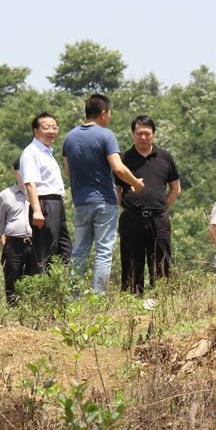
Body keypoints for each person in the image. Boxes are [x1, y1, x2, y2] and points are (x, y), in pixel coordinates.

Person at [63, 94, 145, 294]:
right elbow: (118, 168)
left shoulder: (70, 136)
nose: (109, 116)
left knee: (79, 252)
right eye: (109, 112)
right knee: (103, 252)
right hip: (104, 202)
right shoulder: (106, 135)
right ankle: (97, 298)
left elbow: (68, 172)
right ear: (103, 113)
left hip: (81, 202)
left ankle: (70, 298)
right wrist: (136, 183)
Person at [115, 116, 181, 294]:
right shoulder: (124, 158)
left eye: (147, 134)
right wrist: (126, 206)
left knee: (161, 263)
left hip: (158, 219)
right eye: (139, 133)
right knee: (131, 264)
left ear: (153, 134)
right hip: (131, 219)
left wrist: (163, 208)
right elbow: (116, 189)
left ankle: (160, 300)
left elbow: (176, 188)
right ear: (133, 134)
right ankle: (131, 304)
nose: (143, 137)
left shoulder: (165, 156)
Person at [19, 111, 72, 273]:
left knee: (64, 250)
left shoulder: (47, 152)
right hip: (44, 205)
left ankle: (62, 291)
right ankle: (43, 294)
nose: (52, 132)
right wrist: (37, 210)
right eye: (47, 128)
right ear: (36, 131)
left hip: (56, 205)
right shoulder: (31, 152)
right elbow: (30, 183)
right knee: (45, 254)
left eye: (55, 128)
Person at [0, 160, 36, 306]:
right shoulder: (6, 195)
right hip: (13, 246)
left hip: (35, 245)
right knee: (12, 283)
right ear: (16, 173)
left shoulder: (39, 193)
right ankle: (14, 317)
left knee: (35, 283)